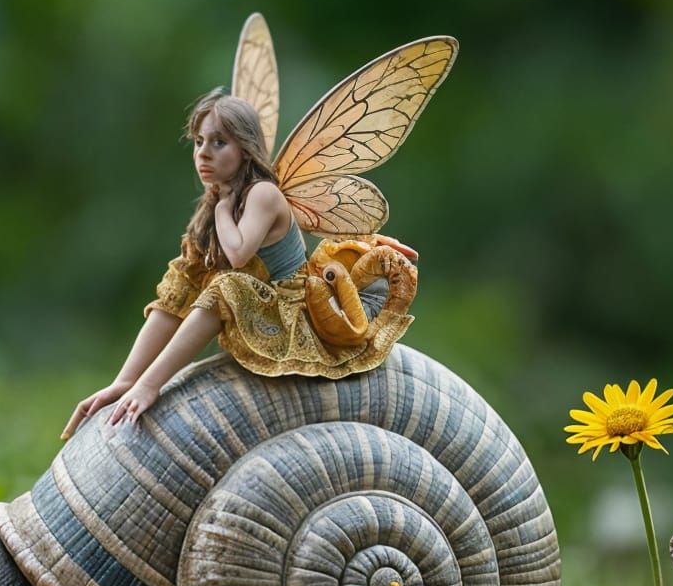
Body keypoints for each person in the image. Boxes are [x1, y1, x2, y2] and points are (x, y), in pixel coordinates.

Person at [62, 90, 411, 439]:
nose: (203, 153)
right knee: (189, 278)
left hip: (294, 309)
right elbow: (179, 294)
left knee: (225, 286)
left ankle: (154, 382)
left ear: (244, 148)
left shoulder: (262, 194)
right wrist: (127, 380)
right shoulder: (220, 201)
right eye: (199, 141)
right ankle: (136, 379)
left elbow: (238, 255)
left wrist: (221, 211)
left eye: (218, 142)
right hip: (263, 303)